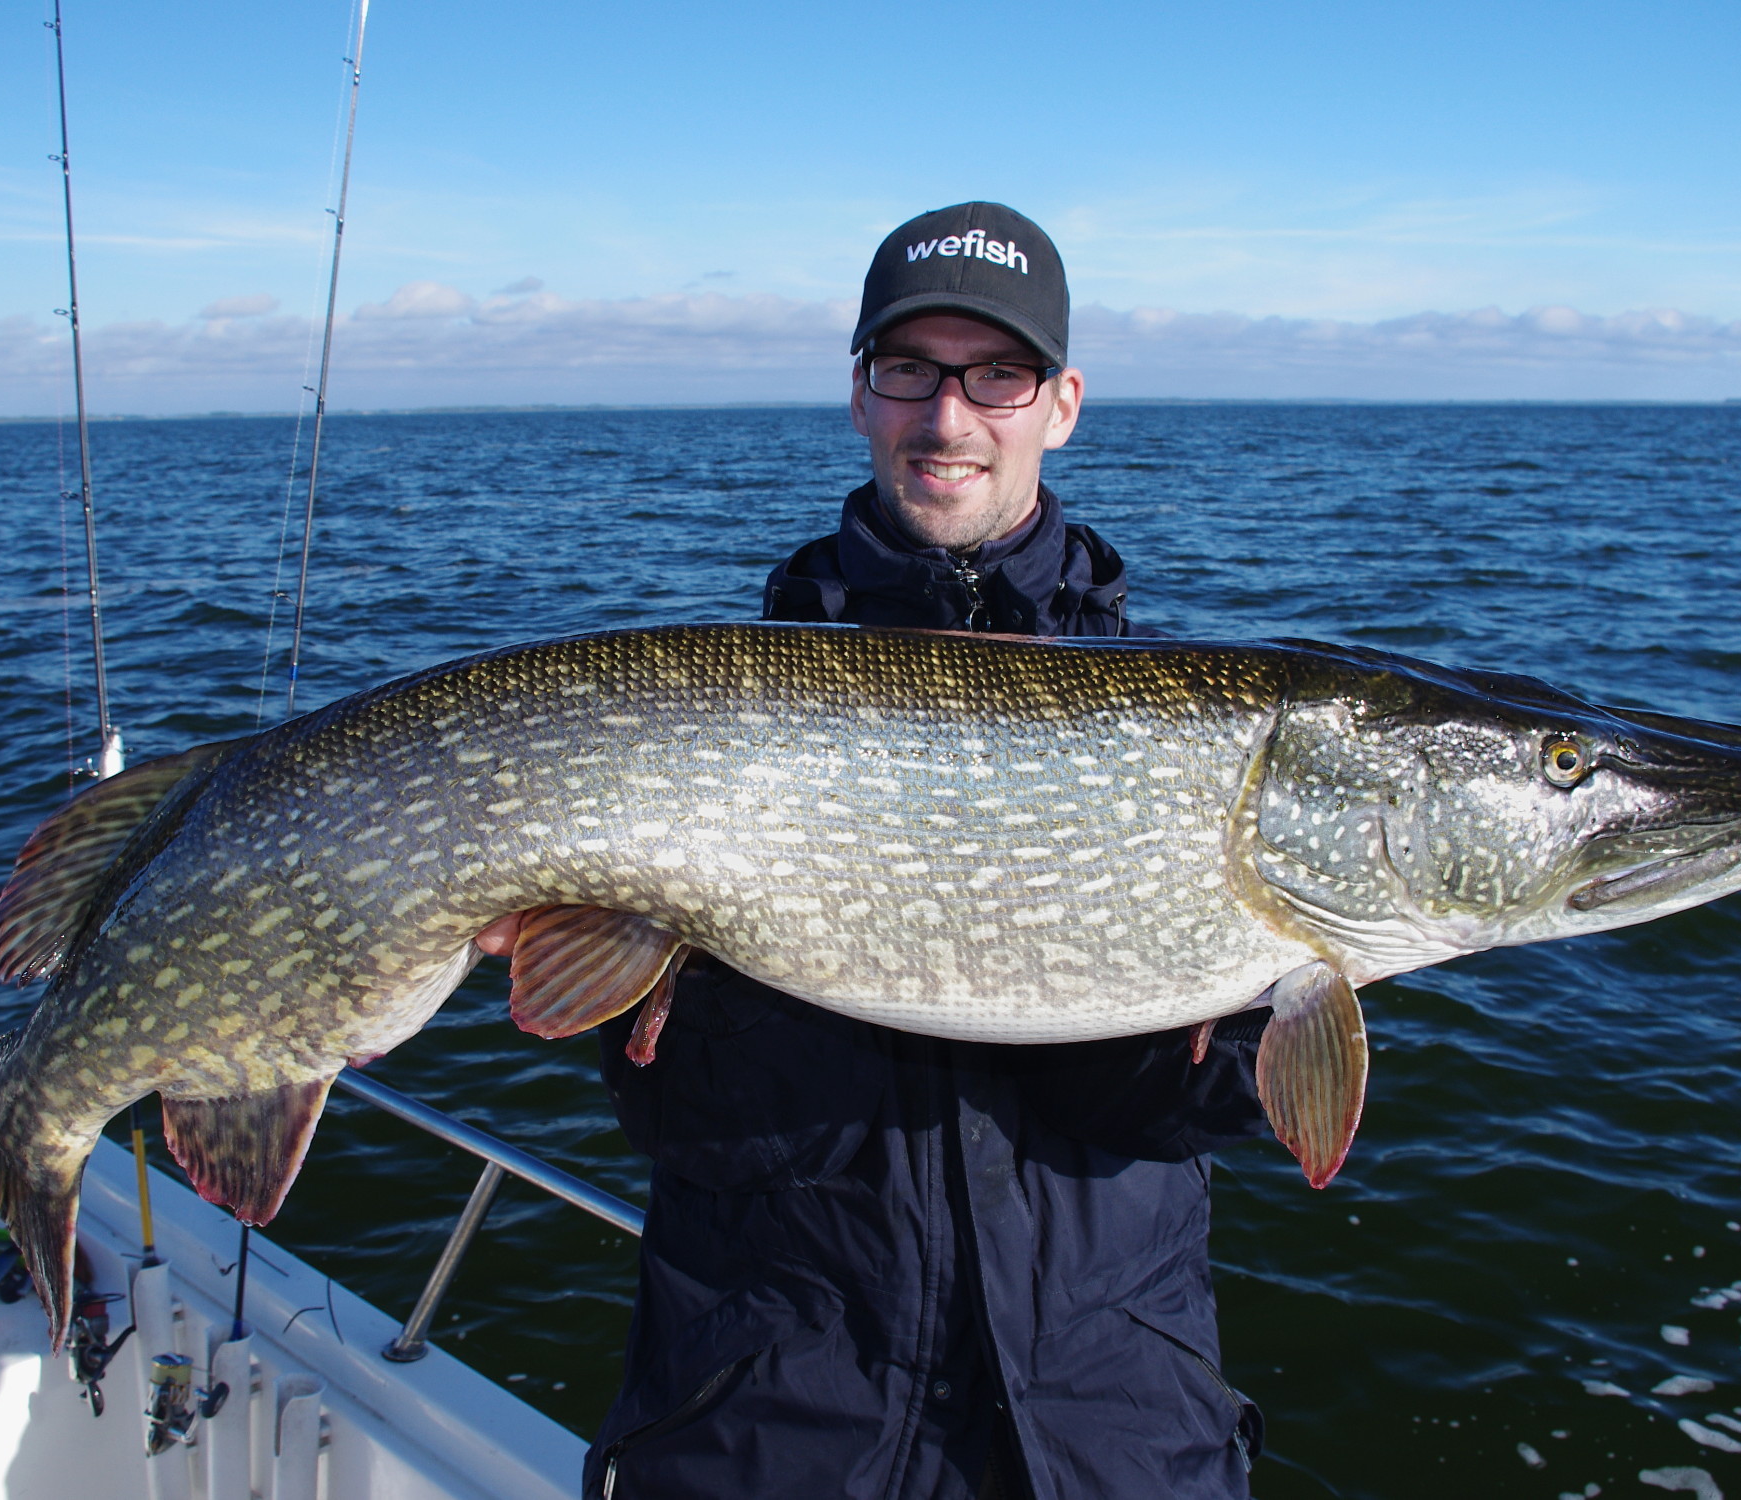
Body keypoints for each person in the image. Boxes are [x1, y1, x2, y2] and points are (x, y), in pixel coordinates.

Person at [495, 203, 1270, 1499]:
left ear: (1061, 402)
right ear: (860, 394)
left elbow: (1207, 1108)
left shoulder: (1194, 731)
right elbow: (687, 1125)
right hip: (773, 1431)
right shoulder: (700, 723)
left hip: (1113, 1440)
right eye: (909, 369)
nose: (949, 416)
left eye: (996, 374)